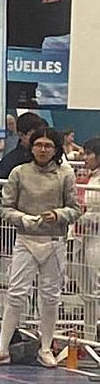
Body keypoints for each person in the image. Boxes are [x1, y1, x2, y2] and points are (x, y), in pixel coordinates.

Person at [0, 127, 79, 368]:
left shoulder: (65, 174)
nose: (43, 150)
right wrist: (23, 218)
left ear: (55, 149)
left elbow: (74, 208)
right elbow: (5, 208)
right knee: (15, 294)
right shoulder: (19, 173)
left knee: (50, 297)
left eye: (48, 146)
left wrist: (58, 215)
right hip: (25, 240)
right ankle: (2, 349)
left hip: (54, 242)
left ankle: (45, 349)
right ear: (31, 147)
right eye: (39, 145)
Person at [78, 137, 100, 339]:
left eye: (89, 154)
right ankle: (89, 337)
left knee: (96, 287)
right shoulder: (91, 177)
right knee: (88, 289)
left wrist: (84, 218)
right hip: (87, 236)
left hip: (97, 239)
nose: (84, 157)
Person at [0, 111, 43, 178]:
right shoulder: (10, 162)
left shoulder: (46, 159)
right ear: (21, 135)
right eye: (34, 135)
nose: (39, 139)